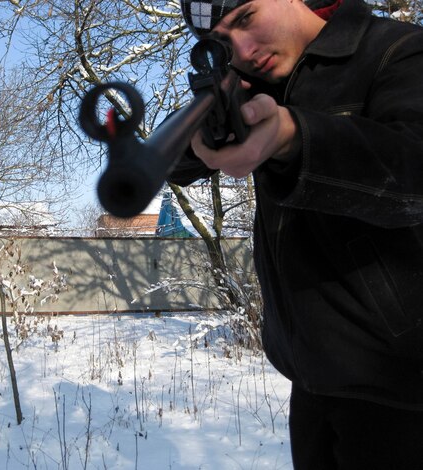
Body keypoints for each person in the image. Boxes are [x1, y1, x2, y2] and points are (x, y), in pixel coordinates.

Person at [170, 0, 423, 468]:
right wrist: (208, 123)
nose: (242, 50)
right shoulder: (260, 85)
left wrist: (293, 137)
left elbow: (412, 171)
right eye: (223, 43)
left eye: (246, 17)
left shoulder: (397, 51)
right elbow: (178, 165)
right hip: (309, 376)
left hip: (401, 386)